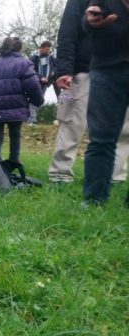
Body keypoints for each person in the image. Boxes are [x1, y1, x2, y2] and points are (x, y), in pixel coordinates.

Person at [48, 0, 129, 184]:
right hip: (85, 68)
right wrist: (65, 69)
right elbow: (68, 31)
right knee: (73, 121)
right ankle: (60, 173)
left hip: (122, 67)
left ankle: (113, 176)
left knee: (124, 127)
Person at [81, 0, 129, 206]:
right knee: (101, 137)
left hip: (108, 68)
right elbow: (83, 22)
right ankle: (94, 199)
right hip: (107, 67)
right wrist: (90, 21)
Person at [0, 37, 44, 163]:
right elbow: (33, 86)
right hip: (15, 106)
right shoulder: (23, 64)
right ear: (19, 48)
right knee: (15, 135)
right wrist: (38, 101)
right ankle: (14, 161)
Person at [28, 41, 57, 124]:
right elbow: (30, 70)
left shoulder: (51, 58)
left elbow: (56, 66)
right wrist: (40, 78)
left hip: (45, 83)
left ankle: (33, 119)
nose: (47, 50)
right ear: (40, 48)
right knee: (33, 100)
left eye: (48, 48)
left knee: (40, 100)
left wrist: (53, 72)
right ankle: (31, 120)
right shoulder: (34, 58)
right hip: (35, 82)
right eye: (45, 48)